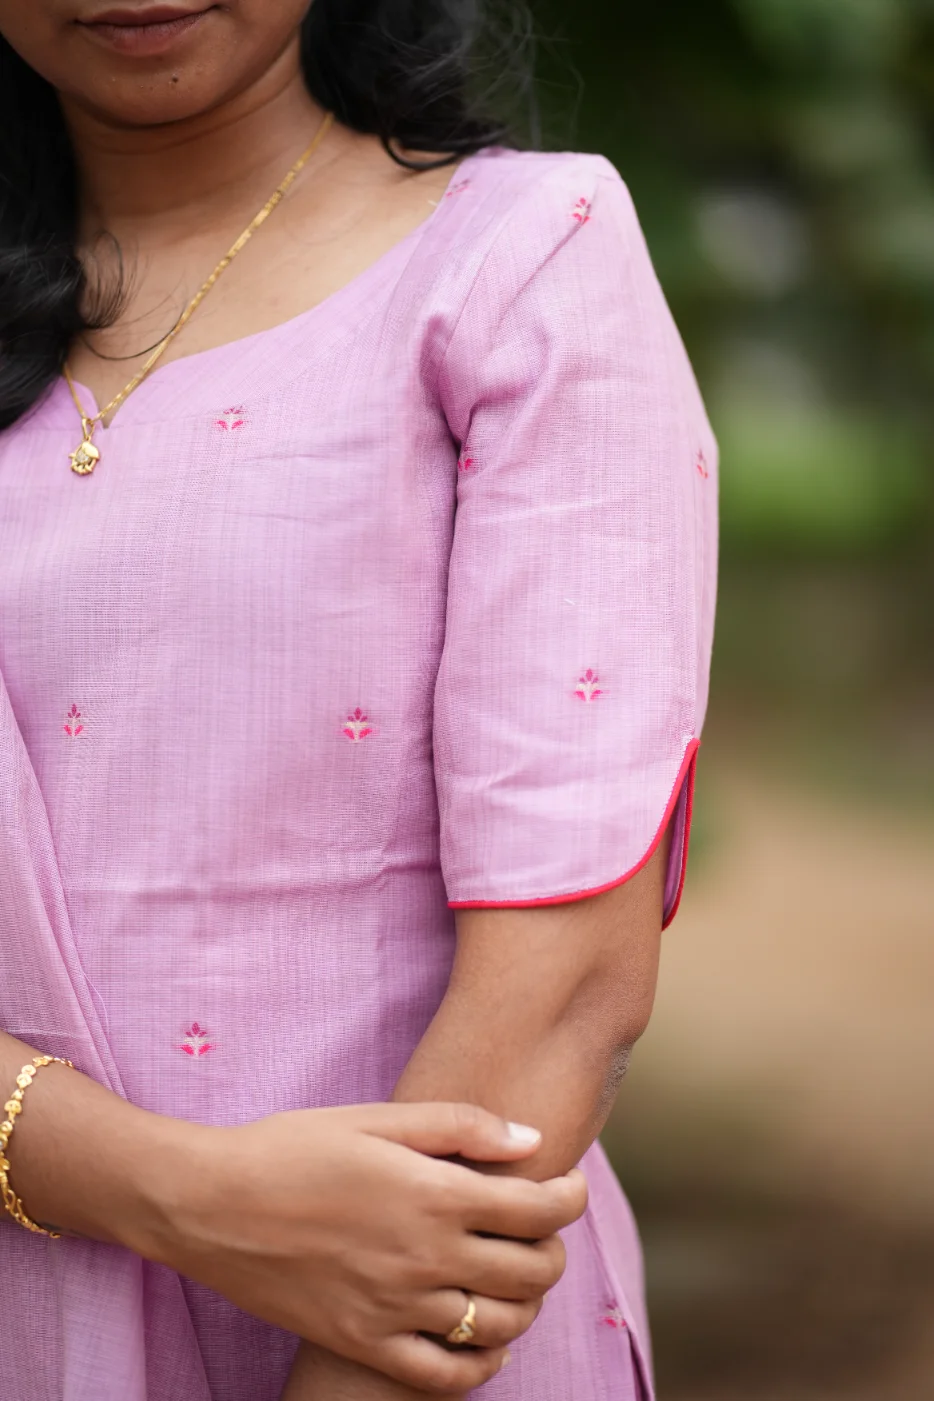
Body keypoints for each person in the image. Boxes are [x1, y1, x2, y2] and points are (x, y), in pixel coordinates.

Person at [0, 2, 718, 1399]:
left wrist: (355, 1371)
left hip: (411, 1344)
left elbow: (561, 984)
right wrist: (177, 1195)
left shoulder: (521, 254)